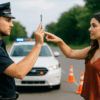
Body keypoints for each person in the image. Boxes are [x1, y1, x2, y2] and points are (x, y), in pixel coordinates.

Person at [44, 12, 100, 100]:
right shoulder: (92, 50)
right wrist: (59, 41)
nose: (89, 29)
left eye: (94, 26)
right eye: (90, 25)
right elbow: (70, 53)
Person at [0, 2, 44, 100]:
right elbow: (19, 72)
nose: (12, 25)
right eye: (7, 20)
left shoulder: (1, 44)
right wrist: (38, 44)